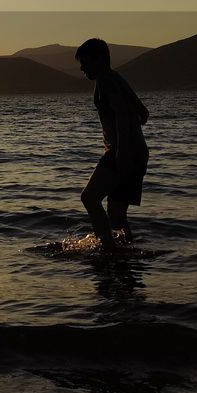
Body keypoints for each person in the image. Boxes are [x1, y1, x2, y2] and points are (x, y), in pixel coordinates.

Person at [75, 38, 149, 252]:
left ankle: (109, 249)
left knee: (89, 197)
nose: (82, 68)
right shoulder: (117, 78)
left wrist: (121, 153)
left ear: (99, 59)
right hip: (137, 153)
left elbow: (123, 116)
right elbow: (143, 113)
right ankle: (126, 257)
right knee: (116, 216)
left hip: (122, 152)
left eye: (85, 62)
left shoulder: (105, 81)